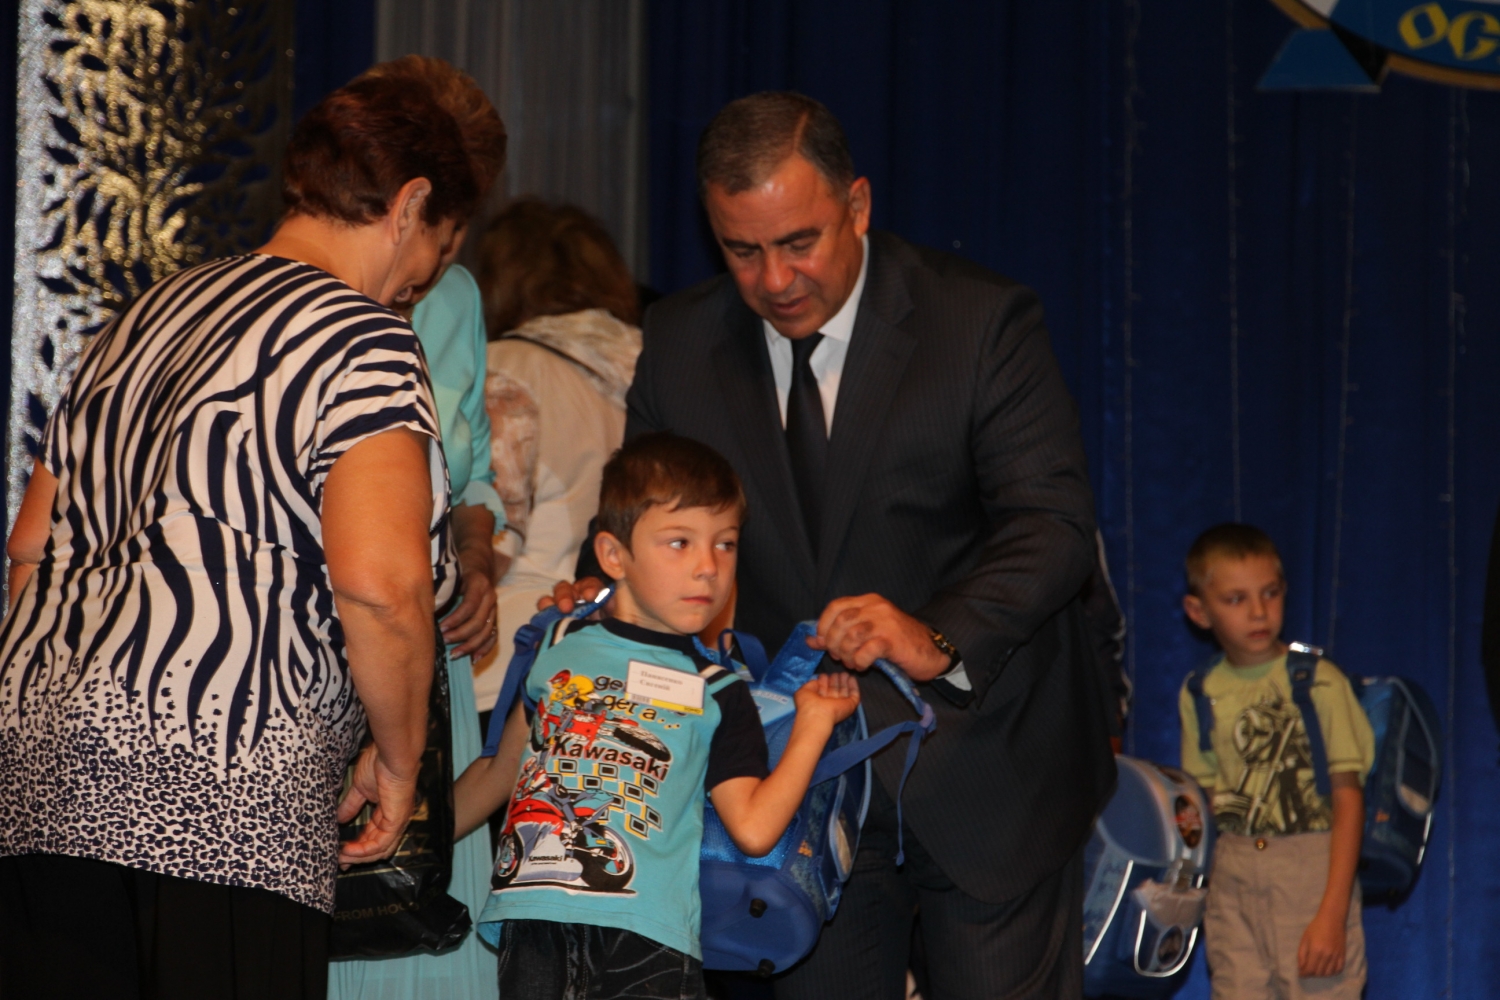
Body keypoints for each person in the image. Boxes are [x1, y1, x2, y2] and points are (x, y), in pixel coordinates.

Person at [553, 91, 1117, 998]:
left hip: (989, 770)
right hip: (793, 793)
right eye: (742, 251)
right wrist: (598, 594)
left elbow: (1051, 523)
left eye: (799, 242)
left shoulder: (980, 322)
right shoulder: (682, 341)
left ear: (857, 205)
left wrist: (934, 635)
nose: (775, 279)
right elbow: (640, 521)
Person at [0, 74, 479, 998]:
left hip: (39, 774)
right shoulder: (362, 337)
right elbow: (380, 585)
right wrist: (399, 760)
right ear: (410, 205)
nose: (421, 280)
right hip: (223, 788)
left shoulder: (137, 321)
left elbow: (29, 554)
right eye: (439, 245)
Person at [454, 433, 860, 999]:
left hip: (648, 940)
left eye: (725, 544)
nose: (707, 567)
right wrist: (401, 835)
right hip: (534, 921)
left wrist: (812, 726)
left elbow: (753, 829)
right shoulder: (558, 640)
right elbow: (502, 770)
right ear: (613, 555)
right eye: (679, 542)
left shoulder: (718, 689)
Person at [327, 57, 507, 1000]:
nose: (451, 244)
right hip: (335, 645)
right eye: (448, 214)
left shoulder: (459, 296)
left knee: (425, 917)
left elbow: (470, 474)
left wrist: (476, 559)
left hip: (433, 658)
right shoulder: (309, 293)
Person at [469, 200, 642, 749]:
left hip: (511, 668)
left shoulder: (505, 367)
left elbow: (486, 544)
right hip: (619, 667)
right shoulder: (654, 370)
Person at [1178, 524, 1374, 1000]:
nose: (1258, 611)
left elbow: (1348, 799)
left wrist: (1332, 914)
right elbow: (1204, 802)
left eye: (1270, 593)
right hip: (1233, 873)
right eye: (1236, 599)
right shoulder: (1200, 691)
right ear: (1199, 612)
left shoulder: (1320, 682)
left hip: (1311, 869)